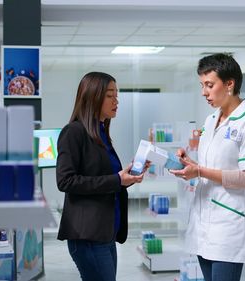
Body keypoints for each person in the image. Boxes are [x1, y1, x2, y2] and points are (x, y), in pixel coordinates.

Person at [169, 53, 245, 281]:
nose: (204, 92)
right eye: (202, 85)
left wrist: (200, 171)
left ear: (230, 84)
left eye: (209, 85)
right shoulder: (211, 120)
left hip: (229, 227)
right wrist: (191, 165)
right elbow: (211, 166)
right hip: (204, 224)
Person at [56, 71, 147, 281]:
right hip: (87, 235)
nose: (116, 101)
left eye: (117, 95)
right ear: (92, 97)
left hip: (105, 233)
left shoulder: (101, 133)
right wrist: (117, 179)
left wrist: (128, 176)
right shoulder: (74, 132)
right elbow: (65, 181)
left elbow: (106, 179)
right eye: (110, 95)